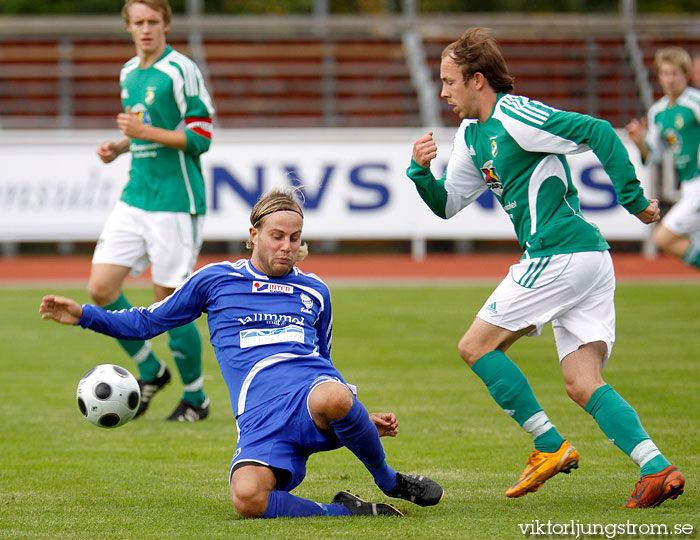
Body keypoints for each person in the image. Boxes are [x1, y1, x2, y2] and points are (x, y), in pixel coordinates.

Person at [407, 27, 684, 508]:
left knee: (475, 346)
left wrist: (634, 200)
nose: (443, 92)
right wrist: (419, 173)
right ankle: (657, 467)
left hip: (559, 253)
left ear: (477, 80)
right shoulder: (472, 137)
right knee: (581, 382)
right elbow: (448, 205)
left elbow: (596, 131)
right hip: (587, 261)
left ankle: (549, 444)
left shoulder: (515, 114)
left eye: (449, 81)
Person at [40, 189, 444, 518]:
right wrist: (85, 315)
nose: (287, 246)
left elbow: (325, 363)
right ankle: (346, 511)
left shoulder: (315, 290)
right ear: (253, 235)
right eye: (277, 236)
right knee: (248, 499)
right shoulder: (216, 280)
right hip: (259, 419)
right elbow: (148, 322)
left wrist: (354, 412)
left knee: (335, 395)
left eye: (295, 238)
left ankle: (389, 480)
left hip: (312, 397)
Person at [90, 0, 216, 421]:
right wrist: (121, 146)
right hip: (135, 194)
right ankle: (149, 368)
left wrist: (142, 132)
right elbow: (143, 128)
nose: (146, 29)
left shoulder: (180, 70)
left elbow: (200, 136)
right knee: (101, 290)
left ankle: (196, 398)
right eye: (138, 22)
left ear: (165, 24)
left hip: (176, 201)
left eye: (153, 22)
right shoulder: (128, 72)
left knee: (170, 305)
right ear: (128, 27)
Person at [626, 47, 700, 272]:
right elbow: (653, 156)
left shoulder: (694, 102)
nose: (670, 79)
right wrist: (639, 141)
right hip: (687, 185)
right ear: (659, 76)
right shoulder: (657, 111)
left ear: (685, 75)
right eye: (665, 73)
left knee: (664, 238)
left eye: (675, 73)